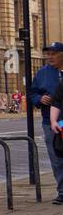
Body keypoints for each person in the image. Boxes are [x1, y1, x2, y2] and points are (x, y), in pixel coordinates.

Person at [29, 42, 63, 204]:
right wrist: (39, 99)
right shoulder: (42, 73)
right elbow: (32, 92)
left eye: (53, 53)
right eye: (48, 54)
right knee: (56, 157)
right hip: (51, 122)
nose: (50, 57)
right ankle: (62, 191)